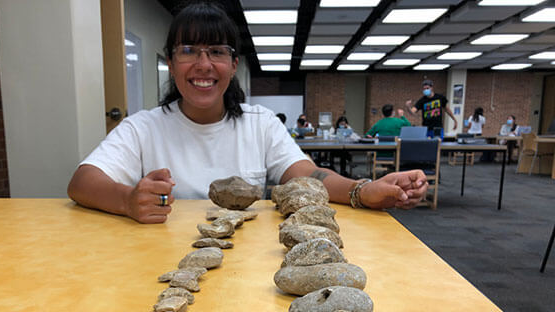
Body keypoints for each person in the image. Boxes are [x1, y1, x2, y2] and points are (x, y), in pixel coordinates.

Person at [67, 2, 428, 224]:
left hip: (243, 268)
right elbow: (82, 182)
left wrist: (362, 190)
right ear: (172, 63)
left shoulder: (260, 124)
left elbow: (306, 175)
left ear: (234, 65)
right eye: (189, 50)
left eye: (217, 52)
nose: (203, 65)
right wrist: (128, 201)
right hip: (159, 264)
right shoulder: (143, 127)